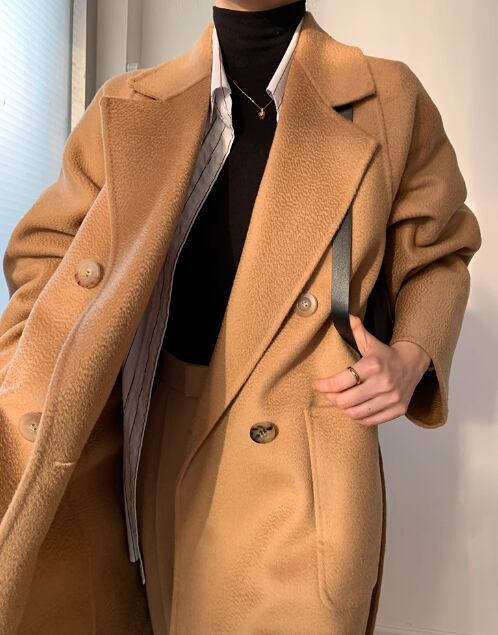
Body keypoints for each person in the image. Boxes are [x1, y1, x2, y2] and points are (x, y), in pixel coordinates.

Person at [0, 0, 482, 633]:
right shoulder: (128, 108)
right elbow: (43, 252)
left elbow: (438, 253)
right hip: (151, 435)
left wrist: (412, 355)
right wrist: (37, 361)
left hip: (304, 451)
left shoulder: (387, 98)